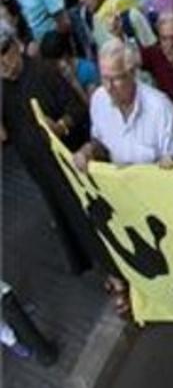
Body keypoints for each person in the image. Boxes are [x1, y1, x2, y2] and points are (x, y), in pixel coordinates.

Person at [0, 22, 97, 274]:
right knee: (66, 221)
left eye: (4, 53)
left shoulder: (44, 72)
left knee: (89, 220)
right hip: (40, 169)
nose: (3, 64)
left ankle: (113, 275)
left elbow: (77, 108)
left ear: (15, 47)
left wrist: (62, 127)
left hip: (71, 162)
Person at [73, 39, 173, 169]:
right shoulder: (99, 99)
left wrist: (170, 162)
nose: (109, 87)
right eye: (104, 78)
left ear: (132, 74)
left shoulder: (162, 109)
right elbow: (100, 142)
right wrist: (89, 150)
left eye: (116, 79)